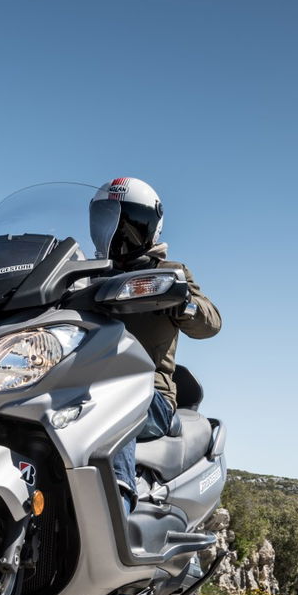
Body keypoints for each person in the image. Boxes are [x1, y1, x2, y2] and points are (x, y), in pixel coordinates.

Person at [89, 177, 221, 513]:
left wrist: (183, 303)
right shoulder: (85, 275)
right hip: (82, 384)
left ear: (149, 226)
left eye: (127, 223)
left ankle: (116, 505)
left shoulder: (168, 273)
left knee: (116, 400)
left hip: (148, 393)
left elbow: (211, 322)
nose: (117, 232)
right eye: (106, 220)